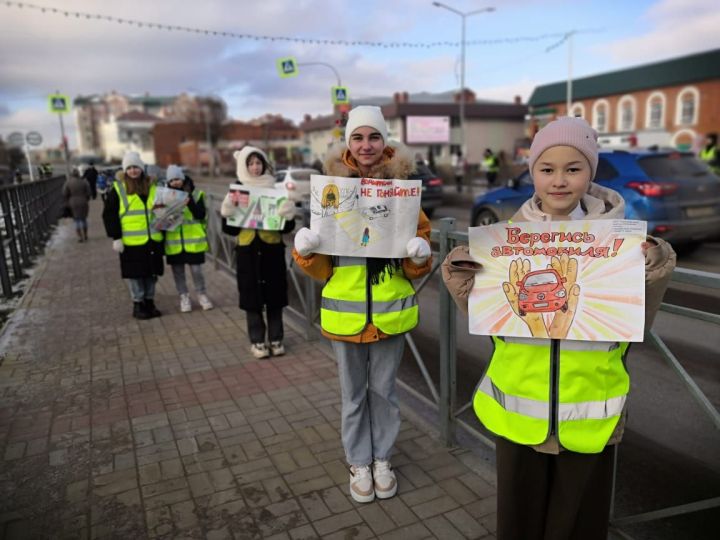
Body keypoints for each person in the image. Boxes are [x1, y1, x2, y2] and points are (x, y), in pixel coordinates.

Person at [441, 116, 676, 540]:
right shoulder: (507, 239)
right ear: (532, 173)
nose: (560, 181)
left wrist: (654, 263)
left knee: (579, 524)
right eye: (547, 169)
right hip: (517, 411)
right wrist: (462, 273)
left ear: (591, 171)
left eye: (574, 168)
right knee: (519, 521)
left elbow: (639, 322)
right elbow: (485, 317)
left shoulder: (618, 243)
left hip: (591, 412)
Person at [292, 106, 433, 504]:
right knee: (353, 395)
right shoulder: (331, 190)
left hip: (391, 312)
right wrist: (305, 250)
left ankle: (382, 458)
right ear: (348, 143)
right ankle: (358, 461)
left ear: (384, 140)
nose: (366, 145)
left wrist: (420, 255)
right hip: (344, 314)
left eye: (374, 137)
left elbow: (417, 260)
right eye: (358, 137)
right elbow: (321, 267)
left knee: (384, 392)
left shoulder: (404, 190)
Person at [220, 146, 296, 358]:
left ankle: (276, 338)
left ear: (264, 165)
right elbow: (228, 229)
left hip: (272, 252)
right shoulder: (237, 191)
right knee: (251, 299)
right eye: (250, 163)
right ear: (244, 167)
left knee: (275, 297)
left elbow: (287, 229)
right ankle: (257, 341)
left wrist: (287, 215)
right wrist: (228, 212)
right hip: (247, 253)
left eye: (258, 162)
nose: (255, 167)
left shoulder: (275, 191)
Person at [102, 151, 164, 320]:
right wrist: (116, 237)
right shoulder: (118, 189)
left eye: (135, 167)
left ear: (141, 168)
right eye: (129, 168)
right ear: (125, 170)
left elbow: (162, 210)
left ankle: (150, 302)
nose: (133, 171)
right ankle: (138, 304)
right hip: (131, 242)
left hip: (153, 239)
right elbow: (109, 215)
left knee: (152, 274)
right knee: (136, 275)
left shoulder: (152, 186)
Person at [164, 165, 213, 313]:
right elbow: (162, 221)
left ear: (183, 178)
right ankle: (184, 297)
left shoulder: (197, 194)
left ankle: (201, 294)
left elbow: (200, 215)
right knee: (178, 273)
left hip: (194, 242)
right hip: (174, 243)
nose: (175, 182)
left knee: (197, 271)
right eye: (171, 180)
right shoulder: (164, 196)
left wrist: (189, 201)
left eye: (177, 179)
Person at [62, 169, 91, 242]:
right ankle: (85, 235)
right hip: (83, 201)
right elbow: (89, 192)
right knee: (83, 219)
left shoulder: (68, 182)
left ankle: (80, 237)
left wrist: (67, 200)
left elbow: (64, 193)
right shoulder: (84, 182)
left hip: (73, 202)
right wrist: (86, 198)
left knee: (76, 219)